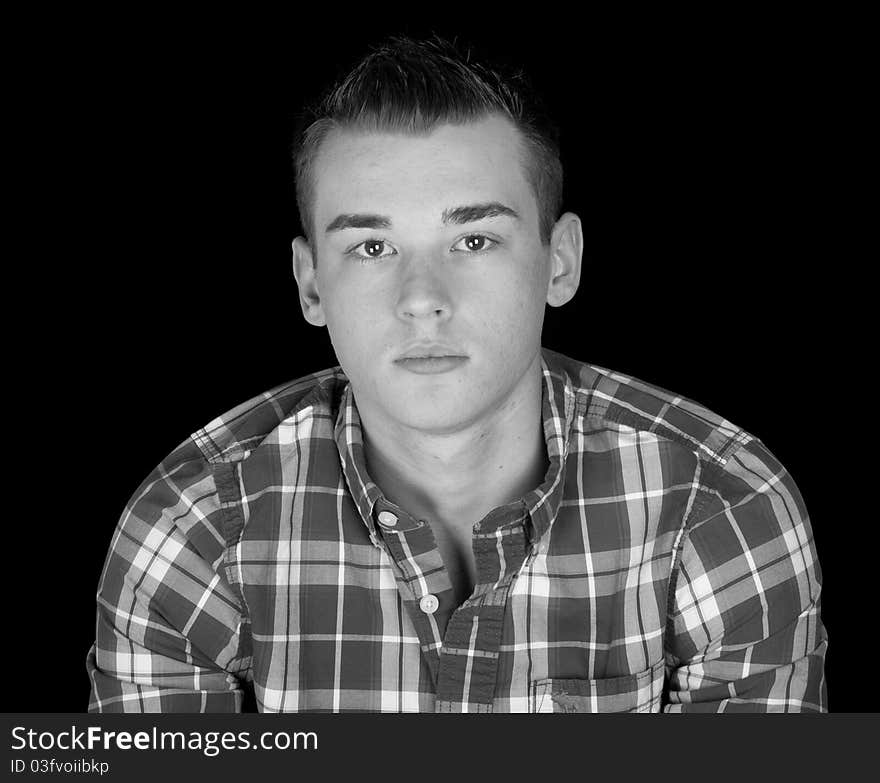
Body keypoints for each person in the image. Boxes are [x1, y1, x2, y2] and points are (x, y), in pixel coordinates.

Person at [86, 35, 827, 713]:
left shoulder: (723, 503)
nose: (423, 301)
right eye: (371, 248)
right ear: (311, 284)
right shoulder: (193, 530)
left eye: (473, 239)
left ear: (559, 262)